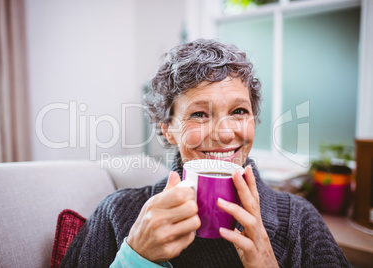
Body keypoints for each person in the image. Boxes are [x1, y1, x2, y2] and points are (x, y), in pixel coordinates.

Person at [61, 39, 350, 267]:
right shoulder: (118, 213)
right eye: (199, 114)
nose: (225, 133)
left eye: (239, 111)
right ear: (167, 129)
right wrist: (136, 258)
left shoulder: (300, 221)